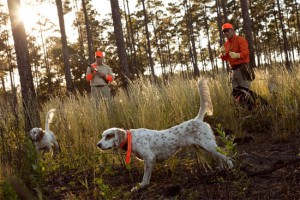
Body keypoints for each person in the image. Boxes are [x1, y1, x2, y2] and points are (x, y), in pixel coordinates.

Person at [219, 23, 256, 109]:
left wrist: (238, 55)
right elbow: (224, 58)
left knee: (244, 92)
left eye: (227, 30)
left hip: (242, 68)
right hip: (233, 71)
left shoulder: (240, 40)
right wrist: (222, 54)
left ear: (232, 30)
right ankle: (242, 111)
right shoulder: (226, 44)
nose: (225, 33)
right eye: (224, 32)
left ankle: (252, 111)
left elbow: (246, 53)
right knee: (236, 93)